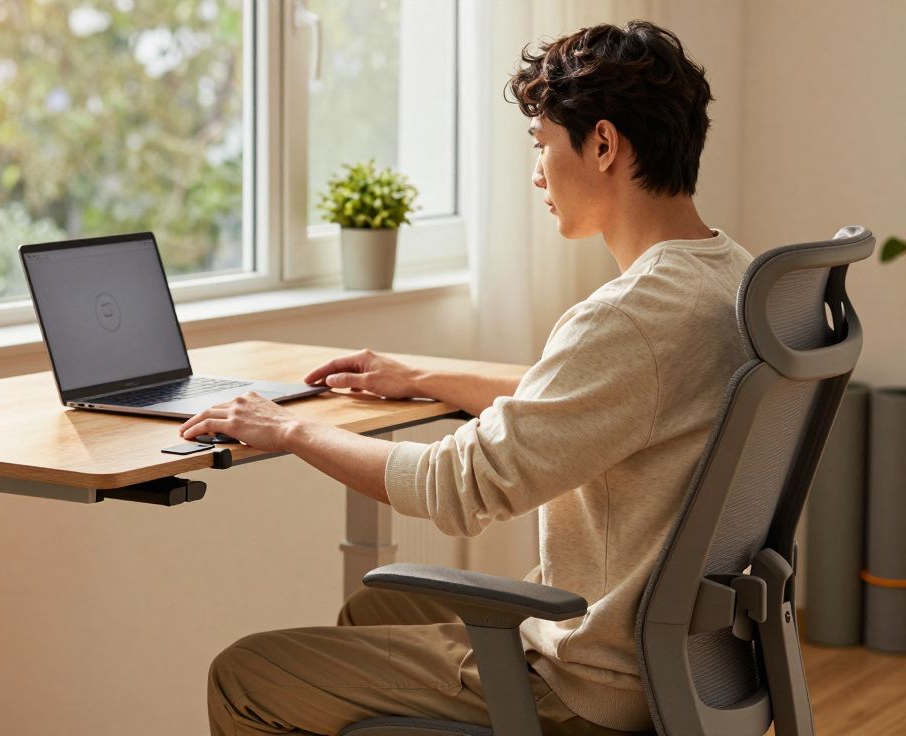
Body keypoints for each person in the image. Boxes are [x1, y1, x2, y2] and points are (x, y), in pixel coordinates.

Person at [183, 20, 753, 736]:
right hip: (689, 669)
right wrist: (425, 377)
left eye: (543, 146)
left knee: (245, 675)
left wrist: (286, 429)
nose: (539, 174)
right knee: (373, 611)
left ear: (604, 145)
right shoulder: (733, 279)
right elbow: (608, 398)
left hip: (589, 687)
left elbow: (459, 487)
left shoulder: (628, 319)